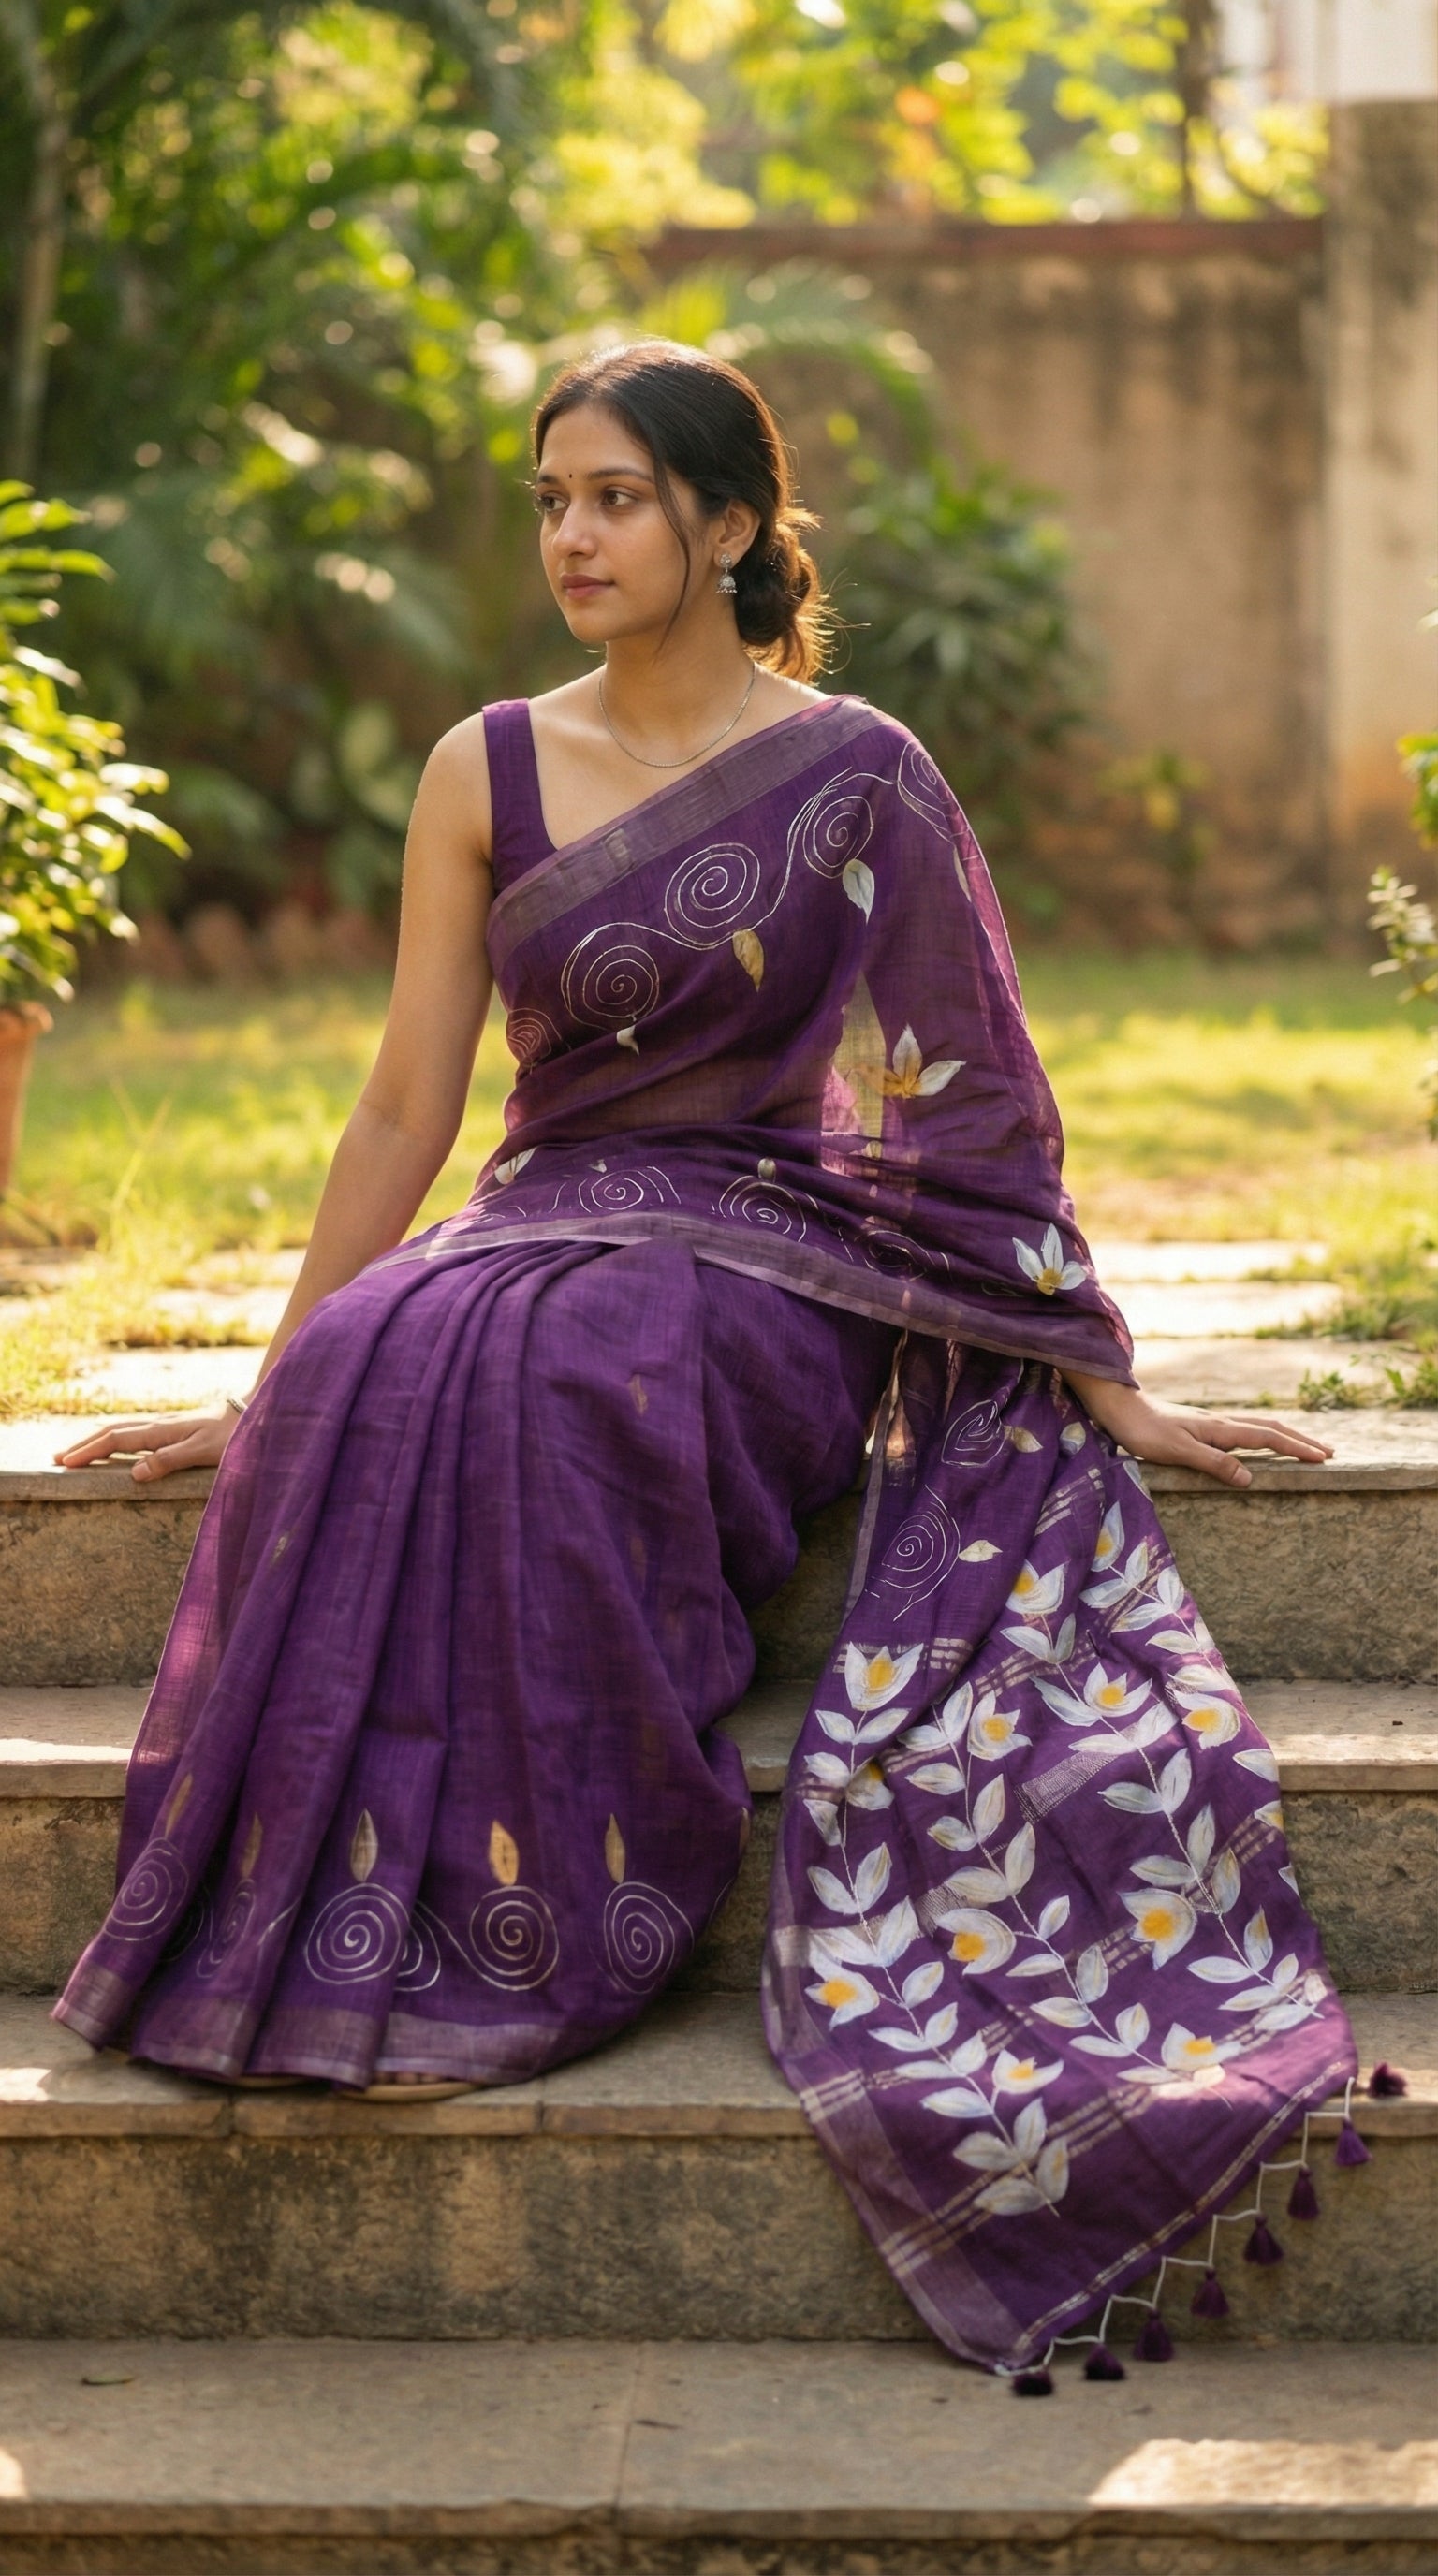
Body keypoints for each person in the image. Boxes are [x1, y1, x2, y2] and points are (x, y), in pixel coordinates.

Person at [54, 341, 1351, 2374]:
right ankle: (328, 1929)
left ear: (727, 528)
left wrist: (1095, 1364)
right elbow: (409, 1102)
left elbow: (969, 1093)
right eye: (552, 499)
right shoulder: (482, 765)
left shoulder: (859, 770)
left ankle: (551, 1922)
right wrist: (263, 1370)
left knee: (581, 1366)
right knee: (385, 1353)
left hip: (778, 1245)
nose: (571, 534)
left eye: (616, 499)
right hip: (548, 1201)